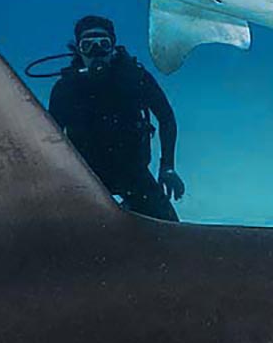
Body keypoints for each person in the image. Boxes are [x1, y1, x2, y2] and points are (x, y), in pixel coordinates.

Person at [48, 16, 185, 221]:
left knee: (172, 233)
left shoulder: (135, 77)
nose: (97, 53)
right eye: (88, 45)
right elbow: (49, 137)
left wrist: (168, 167)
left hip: (132, 172)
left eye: (103, 44)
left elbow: (166, 118)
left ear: (113, 47)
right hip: (83, 173)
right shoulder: (66, 88)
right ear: (78, 49)